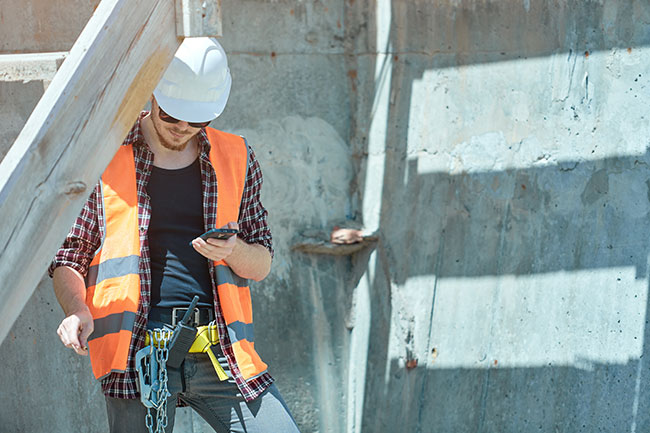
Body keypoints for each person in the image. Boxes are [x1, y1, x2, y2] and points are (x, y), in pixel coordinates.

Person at [49, 37, 300, 433]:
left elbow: (262, 263)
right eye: (172, 117)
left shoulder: (236, 157)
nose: (183, 128)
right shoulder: (106, 155)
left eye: (197, 121)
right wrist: (77, 310)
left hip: (223, 355)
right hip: (137, 357)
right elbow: (69, 256)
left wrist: (232, 250)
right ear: (154, 93)